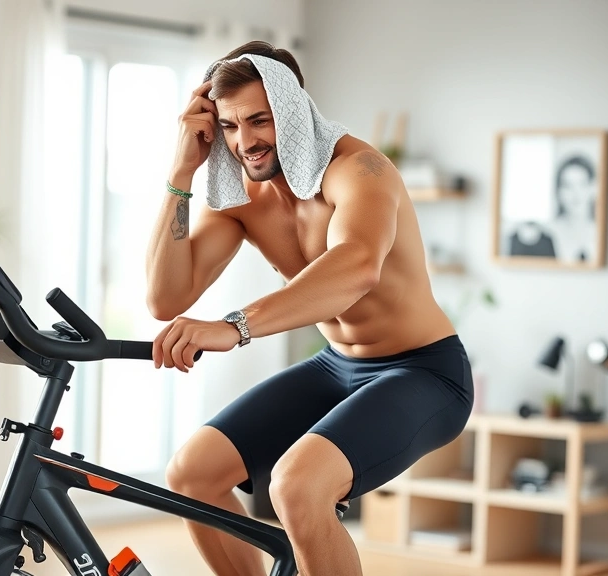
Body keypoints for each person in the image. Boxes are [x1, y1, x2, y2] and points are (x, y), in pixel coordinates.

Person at [145, 41, 473, 576]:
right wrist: (181, 171)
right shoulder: (245, 197)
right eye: (228, 126)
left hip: (424, 370)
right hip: (336, 365)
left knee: (296, 485)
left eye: (259, 120)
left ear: (295, 111)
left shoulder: (359, 170)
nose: (244, 142)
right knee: (191, 474)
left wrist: (236, 327)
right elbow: (166, 297)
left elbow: (356, 266)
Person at [551, 155, 598, 263]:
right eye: (568, 186)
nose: (575, 193)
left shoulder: (603, 232)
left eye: (582, 184)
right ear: (558, 191)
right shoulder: (547, 233)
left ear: (593, 188)